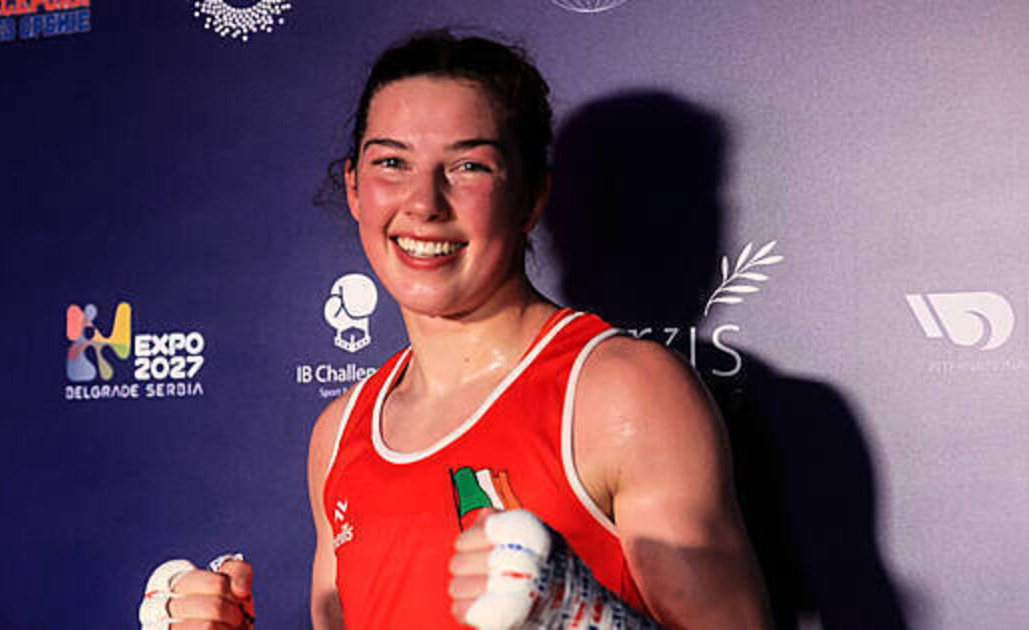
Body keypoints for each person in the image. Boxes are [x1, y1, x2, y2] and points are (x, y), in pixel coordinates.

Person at [139, 30, 770, 630]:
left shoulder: (619, 393)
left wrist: (583, 618)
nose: (424, 203)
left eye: (469, 166)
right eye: (392, 162)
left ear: (531, 197)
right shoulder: (339, 434)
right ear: (354, 188)